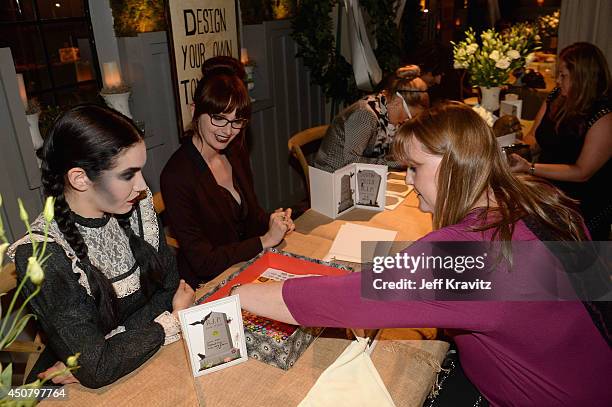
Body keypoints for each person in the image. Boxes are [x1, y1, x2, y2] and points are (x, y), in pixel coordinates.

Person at [232, 103, 611, 406]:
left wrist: (240, 293)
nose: (409, 181)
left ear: (454, 165)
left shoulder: (473, 256)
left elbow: (339, 300)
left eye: (415, 168)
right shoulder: (534, 198)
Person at [7, 104, 195, 388]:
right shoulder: (43, 254)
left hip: (142, 364)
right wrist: (171, 322)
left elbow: (171, 291)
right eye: (128, 174)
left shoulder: (136, 208)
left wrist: (111, 346)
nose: (142, 186)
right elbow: (97, 369)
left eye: (140, 171)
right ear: (80, 178)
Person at [161, 57, 295, 289]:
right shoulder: (176, 176)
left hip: (247, 267)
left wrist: (274, 222)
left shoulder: (235, 151)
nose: (227, 131)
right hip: (208, 283)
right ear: (195, 111)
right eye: (219, 118)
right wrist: (265, 240)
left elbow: (250, 214)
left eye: (237, 121)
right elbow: (203, 261)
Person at [511, 42, 611, 240]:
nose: (557, 81)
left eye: (563, 75)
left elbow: (582, 172)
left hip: (580, 205)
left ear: (582, 78)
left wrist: (529, 168)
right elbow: (534, 137)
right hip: (546, 191)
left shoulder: (604, 117)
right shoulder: (557, 97)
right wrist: (511, 147)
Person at [312, 65, 429, 172]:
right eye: (409, 116)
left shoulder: (384, 112)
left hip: (355, 175)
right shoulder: (365, 115)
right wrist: (397, 163)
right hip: (333, 176)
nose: (407, 120)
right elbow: (351, 161)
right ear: (398, 102)